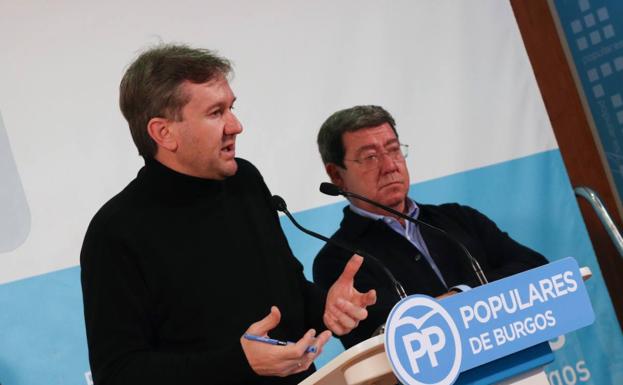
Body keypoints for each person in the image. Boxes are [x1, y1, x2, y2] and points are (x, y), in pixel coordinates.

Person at [80, 44, 376, 385]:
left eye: (231, 108)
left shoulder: (245, 182)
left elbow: (286, 291)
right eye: (216, 113)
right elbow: (118, 374)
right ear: (164, 133)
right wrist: (238, 363)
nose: (236, 126)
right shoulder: (116, 231)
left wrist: (327, 307)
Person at [312, 105, 548, 348]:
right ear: (337, 175)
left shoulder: (458, 218)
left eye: (393, 150)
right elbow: (380, 335)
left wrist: (461, 296)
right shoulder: (336, 261)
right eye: (371, 157)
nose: (390, 166)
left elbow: (535, 267)